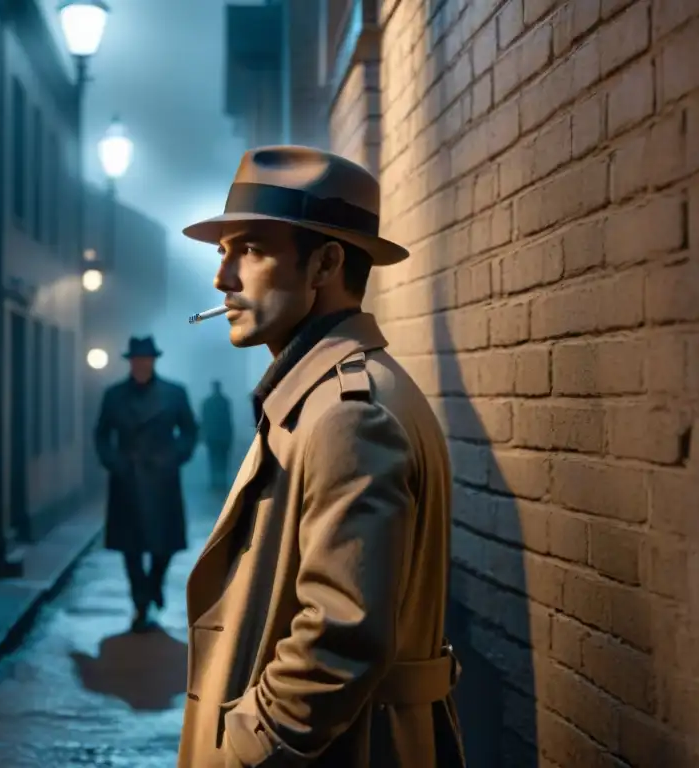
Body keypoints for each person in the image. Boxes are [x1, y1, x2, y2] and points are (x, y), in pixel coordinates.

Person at [176, 146, 465, 767]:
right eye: (222, 253)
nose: (223, 279)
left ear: (325, 264)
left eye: (250, 250)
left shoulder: (348, 413)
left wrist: (241, 753)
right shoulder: (323, 395)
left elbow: (341, 638)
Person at [94, 335, 198, 633]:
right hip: (127, 479)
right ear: (131, 363)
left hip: (162, 478)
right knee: (131, 547)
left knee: (163, 544)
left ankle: (155, 584)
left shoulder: (174, 394)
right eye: (137, 360)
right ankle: (140, 600)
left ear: (153, 362)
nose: (141, 365)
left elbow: (190, 431)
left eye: (146, 360)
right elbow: (101, 434)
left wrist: (174, 456)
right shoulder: (114, 395)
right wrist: (114, 462)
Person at [200, 381, 234, 491]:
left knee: (213, 460)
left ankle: (215, 483)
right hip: (223, 436)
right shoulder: (225, 401)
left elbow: (204, 421)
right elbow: (228, 421)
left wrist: (203, 435)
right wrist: (230, 436)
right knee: (223, 460)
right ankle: (222, 482)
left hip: (212, 437)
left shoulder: (206, 402)